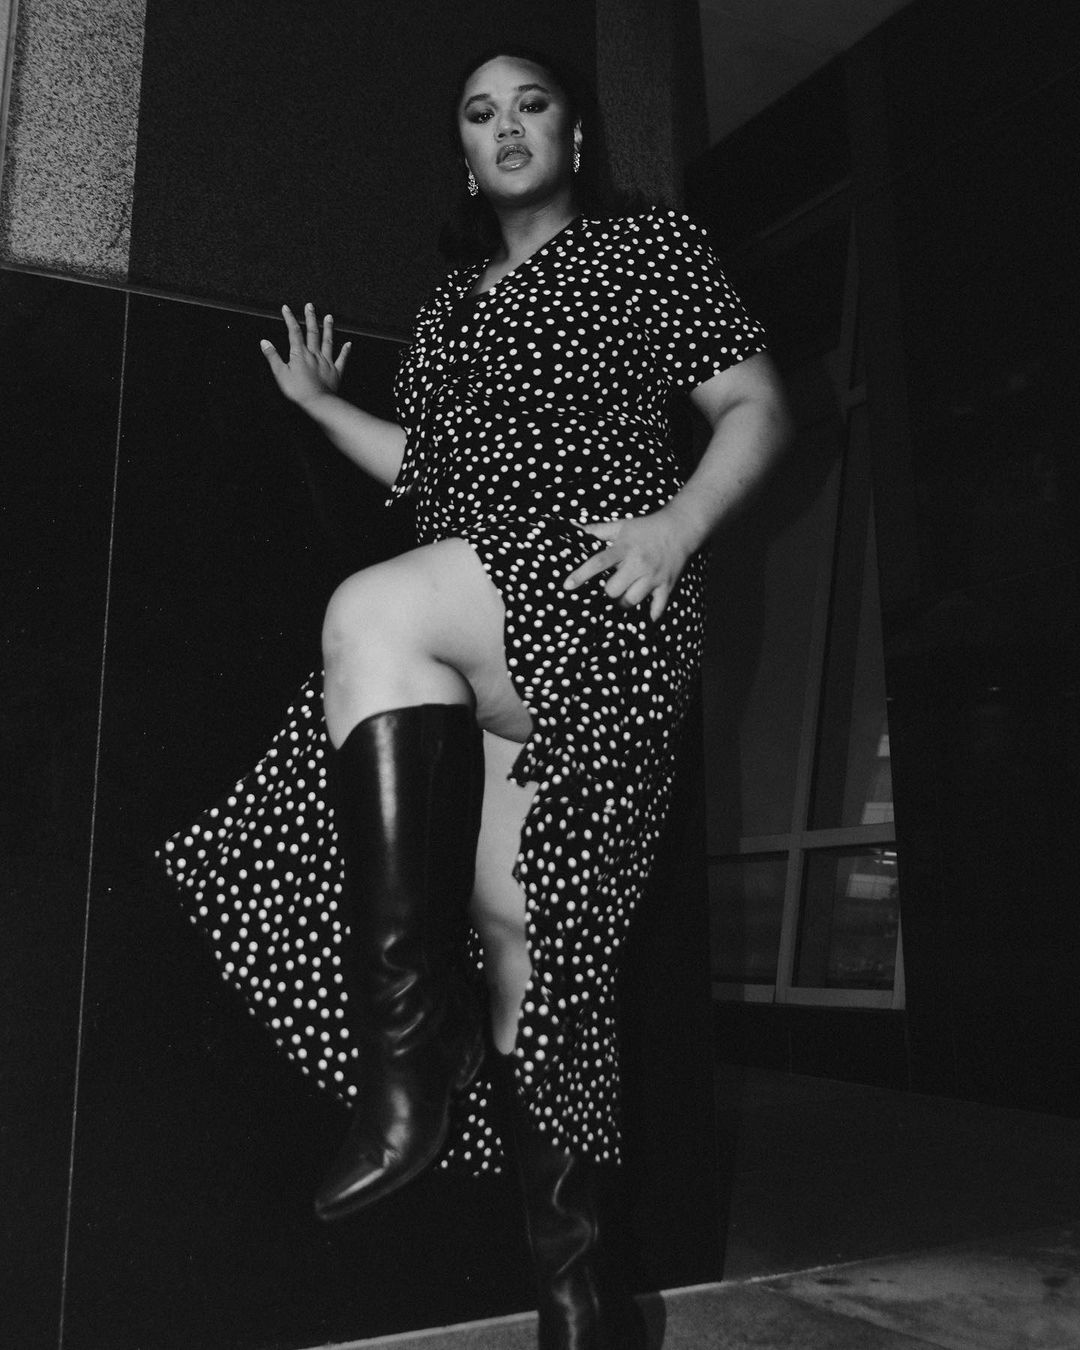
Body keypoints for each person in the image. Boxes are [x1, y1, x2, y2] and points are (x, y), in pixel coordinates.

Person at [162, 43, 789, 1350]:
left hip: (601, 595)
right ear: (463, 154)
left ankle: (411, 1063)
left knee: (369, 611)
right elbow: (429, 470)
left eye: (532, 104)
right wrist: (323, 407)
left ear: (574, 138)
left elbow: (755, 404)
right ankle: (580, 1298)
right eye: (480, 112)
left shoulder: (646, 251)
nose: (507, 126)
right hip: (492, 614)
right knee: (530, 952)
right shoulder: (449, 312)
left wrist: (678, 527)